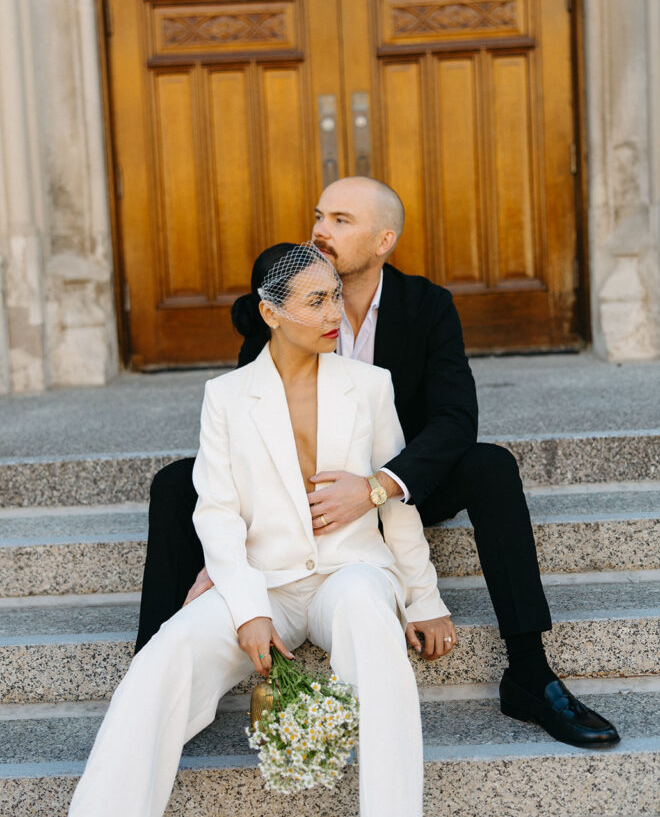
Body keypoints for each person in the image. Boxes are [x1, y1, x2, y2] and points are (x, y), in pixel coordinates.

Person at [137, 177, 619, 750]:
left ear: (383, 240)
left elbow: (455, 419)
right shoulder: (279, 302)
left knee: (491, 467)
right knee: (174, 485)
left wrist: (376, 487)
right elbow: (250, 425)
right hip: (300, 500)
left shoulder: (427, 306)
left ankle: (531, 675)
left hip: (401, 486)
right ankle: (150, 680)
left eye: (341, 220)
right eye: (319, 215)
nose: (320, 230)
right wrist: (227, 557)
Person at [53, 242, 455, 817]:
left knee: (372, 623)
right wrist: (246, 609)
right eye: (315, 300)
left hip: (349, 571)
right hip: (261, 581)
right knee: (162, 658)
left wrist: (424, 600)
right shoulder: (227, 395)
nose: (334, 312)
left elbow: (394, 502)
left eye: (336, 296)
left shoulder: (371, 385)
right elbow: (217, 514)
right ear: (271, 313)